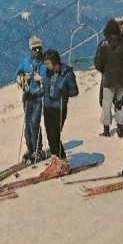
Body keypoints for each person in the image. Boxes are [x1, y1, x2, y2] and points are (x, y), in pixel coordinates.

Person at [39, 49, 79, 178]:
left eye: (48, 63)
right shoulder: (48, 73)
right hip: (48, 107)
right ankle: (56, 161)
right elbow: (46, 88)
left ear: (55, 62)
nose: (47, 66)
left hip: (59, 108)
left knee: (55, 135)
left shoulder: (67, 74)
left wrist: (65, 92)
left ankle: (62, 163)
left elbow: (74, 91)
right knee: (50, 136)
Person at [94, 18, 123, 138]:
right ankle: (120, 128)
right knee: (120, 103)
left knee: (106, 103)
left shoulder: (102, 44)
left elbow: (98, 63)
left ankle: (106, 129)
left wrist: (105, 71)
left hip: (108, 79)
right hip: (122, 78)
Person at [14, 35, 48, 163]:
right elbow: (16, 74)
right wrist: (22, 77)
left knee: (34, 123)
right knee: (28, 124)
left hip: (39, 96)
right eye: (34, 49)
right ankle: (30, 148)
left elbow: (51, 77)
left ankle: (38, 149)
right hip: (28, 96)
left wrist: (42, 78)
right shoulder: (25, 62)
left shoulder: (45, 62)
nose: (37, 51)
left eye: (39, 48)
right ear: (31, 50)